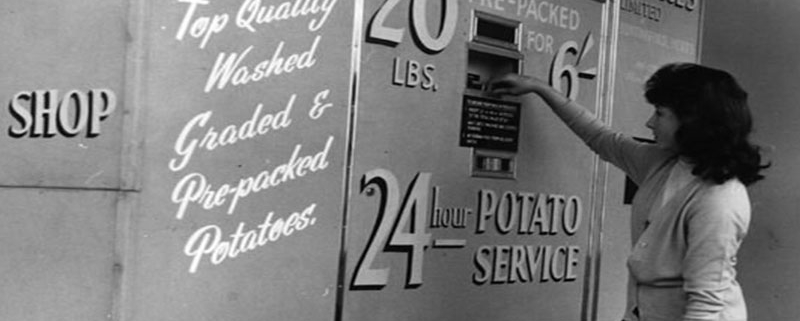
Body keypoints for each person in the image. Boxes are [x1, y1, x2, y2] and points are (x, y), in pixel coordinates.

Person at [487, 63, 768, 321]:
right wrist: (540, 88)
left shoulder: (719, 199)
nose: (650, 123)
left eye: (660, 113)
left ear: (694, 122)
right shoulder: (663, 162)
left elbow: (706, 304)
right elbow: (600, 137)